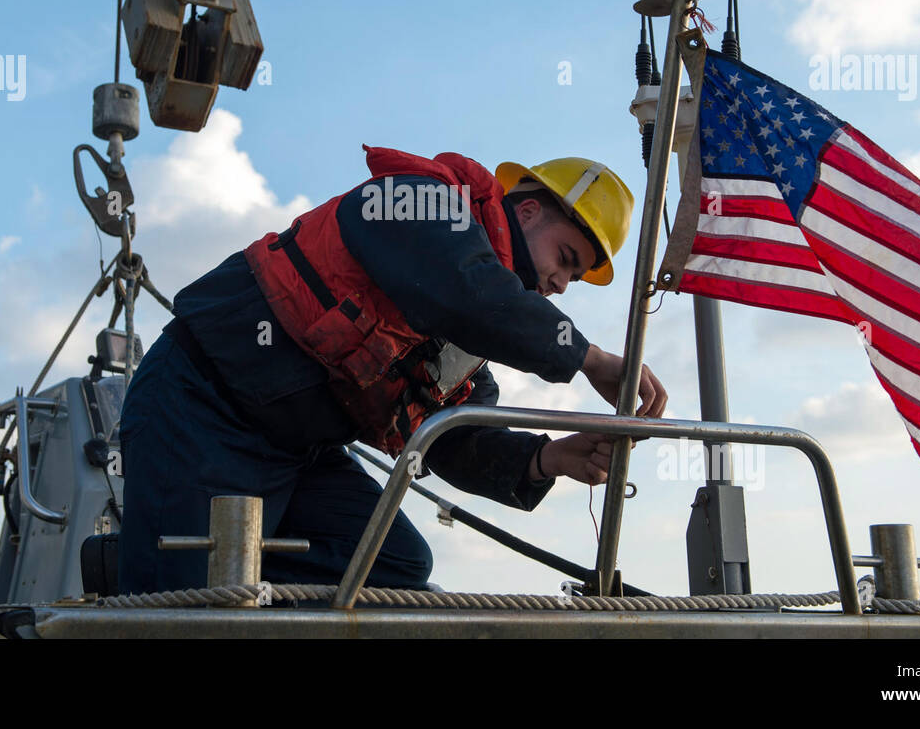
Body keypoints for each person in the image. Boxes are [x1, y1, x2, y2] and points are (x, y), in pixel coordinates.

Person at [116, 145, 668, 595]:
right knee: (180, 605)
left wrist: (550, 458)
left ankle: (237, 594)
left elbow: (455, 437)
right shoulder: (416, 203)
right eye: (566, 260)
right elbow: (464, 290)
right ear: (526, 212)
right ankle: (152, 578)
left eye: (573, 278)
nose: (560, 285)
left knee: (393, 568)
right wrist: (589, 358)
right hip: (198, 407)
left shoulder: (468, 347)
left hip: (294, 454)